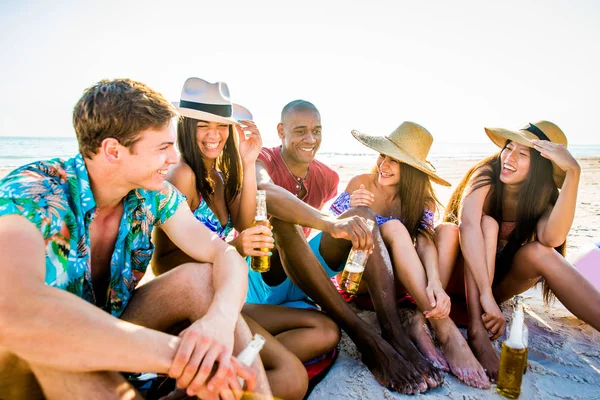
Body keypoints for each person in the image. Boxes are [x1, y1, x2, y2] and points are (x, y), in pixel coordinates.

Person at [0, 79, 272, 400]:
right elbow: (13, 310)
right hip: (29, 361)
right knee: (52, 344)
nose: (173, 158)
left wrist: (219, 323)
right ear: (113, 151)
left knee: (201, 278)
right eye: (162, 148)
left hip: (115, 333)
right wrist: (180, 357)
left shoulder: (151, 194)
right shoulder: (33, 193)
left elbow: (224, 253)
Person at [152, 77, 339, 400]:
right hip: (194, 307)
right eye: (203, 126)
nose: (214, 135)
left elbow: (247, 221)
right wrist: (234, 248)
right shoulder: (182, 176)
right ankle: (208, 380)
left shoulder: (220, 177)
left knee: (324, 330)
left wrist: (248, 161)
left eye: (221, 126)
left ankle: (217, 372)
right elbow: (161, 265)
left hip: (226, 298)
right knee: (293, 379)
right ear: (186, 126)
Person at [245, 100, 444, 395]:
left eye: (316, 131)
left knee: (363, 217)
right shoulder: (263, 158)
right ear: (281, 131)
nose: (310, 139)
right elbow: (266, 192)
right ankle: (367, 339)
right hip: (262, 276)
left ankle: (392, 332)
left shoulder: (327, 177)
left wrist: (346, 222)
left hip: (306, 282)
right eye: (300, 131)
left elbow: (424, 238)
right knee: (284, 222)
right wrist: (330, 224)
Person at [328, 121, 490, 388]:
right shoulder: (361, 184)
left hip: (402, 284)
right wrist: (350, 212)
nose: (384, 165)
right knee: (393, 227)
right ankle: (445, 329)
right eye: (383, 156)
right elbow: (331, 237)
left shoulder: (420, 197)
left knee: (447, 230)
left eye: (395, 160)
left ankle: (418, 317)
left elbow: (426, 242)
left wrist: (436, 282)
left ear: (413, 170)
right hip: (363, 280)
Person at [441, 120, 600, 382]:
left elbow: (552, 238)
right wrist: (484, 296)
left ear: (539, 167)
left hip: (495, 288)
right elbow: (467, 225)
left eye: (522, 153)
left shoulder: (543, 197)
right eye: (508, 147)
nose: (509, 157)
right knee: (486, 223)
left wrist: (573, 173)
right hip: (458, 278)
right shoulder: (486, 174)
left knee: (541, 253)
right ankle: (477, 332)